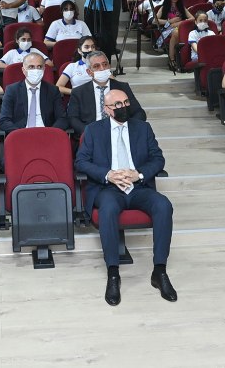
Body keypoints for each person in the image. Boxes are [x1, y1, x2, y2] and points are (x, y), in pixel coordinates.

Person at [74, 89, 175, 306]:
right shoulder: (94, 130)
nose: (124, 107)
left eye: (126, 102)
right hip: (108, 189)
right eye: (118, 104)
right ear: (107, 109)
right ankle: (113, 273)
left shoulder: (142, 128)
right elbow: (81, 162)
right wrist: (108, 175)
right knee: (108, 209)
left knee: (163, 205)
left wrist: (139, 174)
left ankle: (160, 271)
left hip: (138, 187)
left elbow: (158, 159)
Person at [66, 51, 146, 132]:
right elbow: (72, 118)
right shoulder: (79, 92)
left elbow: (139, 113)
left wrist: (127, 128)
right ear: (89, 72)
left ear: (109, 66)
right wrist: (88, 132)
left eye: (105, 64)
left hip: (120, 131)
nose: (102, 68)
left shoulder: (122, 87)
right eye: (96, 66)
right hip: (92, 133)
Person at [0, 53, 68, 134]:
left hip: (46, 134)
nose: (36, 70)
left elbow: (62, 119)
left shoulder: (53, 90)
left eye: (39, 67)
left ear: (44, 69)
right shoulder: (12, 90)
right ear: (23, 70)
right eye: (31, 67)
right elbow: (4, 120)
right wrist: (19, 134)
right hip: (21, 134)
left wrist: (50, 133)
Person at [154, 0, 190, 71]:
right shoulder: (164, 7)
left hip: (181, 28)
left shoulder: (181, 7)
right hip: (168, 29)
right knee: (175, 33)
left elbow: (192, 18)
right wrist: (170, 21)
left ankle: (181, 59)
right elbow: (155, 21)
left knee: (177, 32)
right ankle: (172, 59)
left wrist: (180, 23)